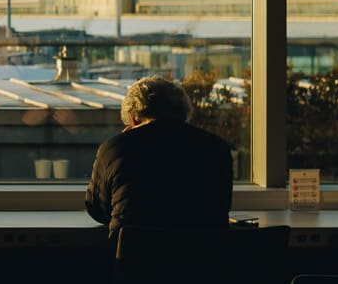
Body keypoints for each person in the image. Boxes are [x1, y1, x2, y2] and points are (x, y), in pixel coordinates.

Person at [84, 73, 233, 238]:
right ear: (183, 113)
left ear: (133, 117)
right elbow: (221, 205)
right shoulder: (217, 148)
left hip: (135, 257)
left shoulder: (115, 149)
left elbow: (96, 208)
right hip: (205, 258)